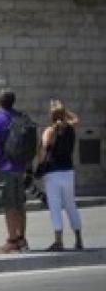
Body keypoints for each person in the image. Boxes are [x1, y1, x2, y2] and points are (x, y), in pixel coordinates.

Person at [0, 91, 31, 253]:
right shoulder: (21, 117)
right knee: (20, 204)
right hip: (20, 167)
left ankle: (12, 241)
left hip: (5, 167)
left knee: (9, 205)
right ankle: (21, 239)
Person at [38, 100, 83, 251]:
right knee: (71, 204)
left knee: (55, 206)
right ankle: (78, 239)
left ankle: (59, 241)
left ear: (51, 115)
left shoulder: (49, 131)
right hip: (68, 171)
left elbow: (44, 151)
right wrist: (65, 110)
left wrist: (40, 166)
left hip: (53, 172)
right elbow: (76, 119)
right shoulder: (71, 128)